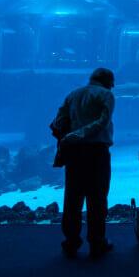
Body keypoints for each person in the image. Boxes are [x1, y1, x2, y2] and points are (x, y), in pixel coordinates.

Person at [50, 68, 115, 259]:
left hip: (74, 154)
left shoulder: (73, 94)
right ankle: (97, 242)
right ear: (109, 82)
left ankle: (71, 241)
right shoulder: (106, 95)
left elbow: (58, 121)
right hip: (97, 152)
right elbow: (103, 122)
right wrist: (79, 134)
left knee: (72, 199)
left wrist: (67, 138)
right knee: (97, 198)